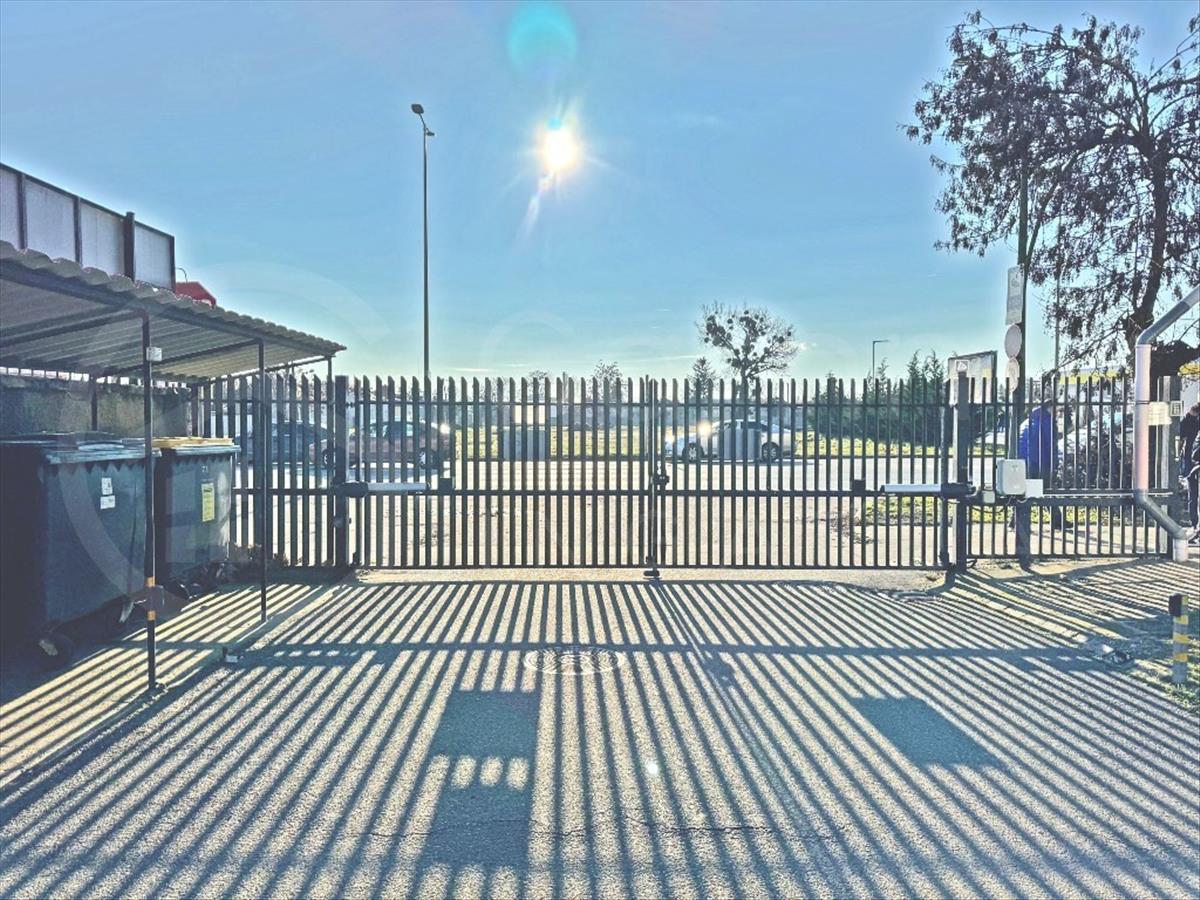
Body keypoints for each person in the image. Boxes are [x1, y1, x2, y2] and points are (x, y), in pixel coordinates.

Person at [1017, 397, 1066, 529]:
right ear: (1051, 407)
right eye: (1057, 409)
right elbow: (1051, 444)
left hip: (1025, 462)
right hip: (1040, 462)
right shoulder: (1046, 420)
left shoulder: (1029, 419)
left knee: (1027, 492)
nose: (1058, 413)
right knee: (1047, 490)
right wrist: (1054, 463)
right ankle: (1057, 521)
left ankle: (1016, 521)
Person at [1180, 401, 1200, 543]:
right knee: (1193, 496)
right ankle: (1195, 527)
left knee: (1193, 496)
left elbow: (1181, 433)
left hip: (1192, 464)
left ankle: (1195, 527)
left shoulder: (1191, 420)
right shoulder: (1191, 420)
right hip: (1193, 464)